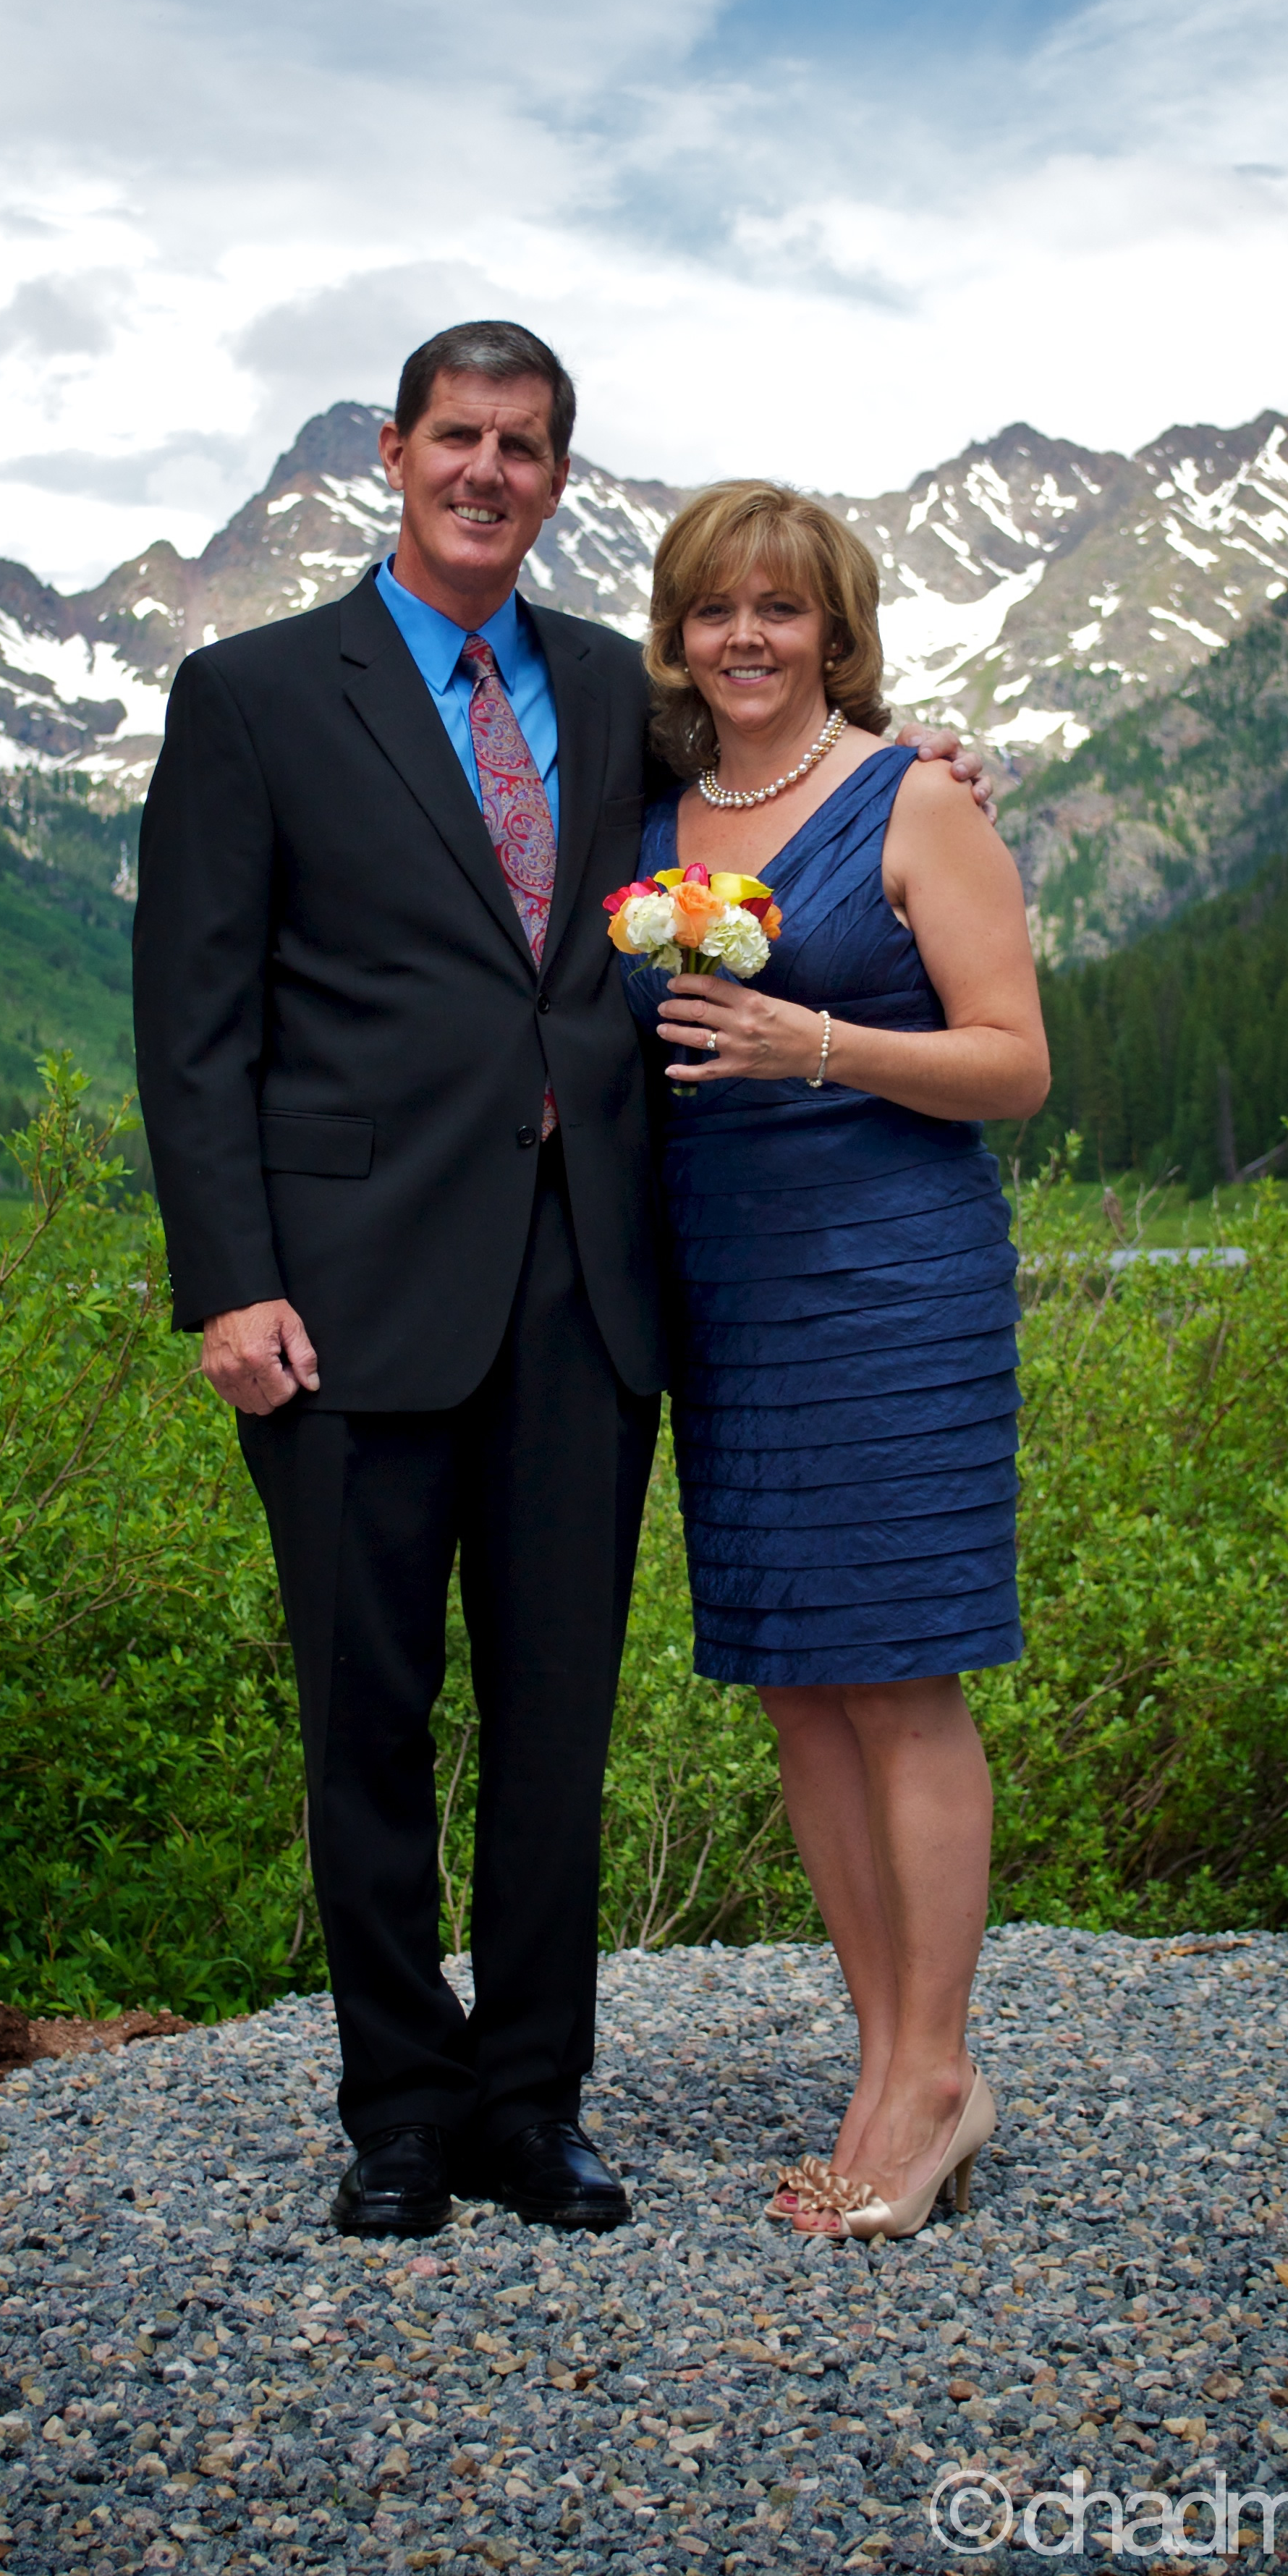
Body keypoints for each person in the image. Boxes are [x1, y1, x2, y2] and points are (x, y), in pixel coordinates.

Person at [132, 321, 993, 2240]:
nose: (488, 471)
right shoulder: (257, 695)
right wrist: (227, 1282)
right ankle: (396, 2109)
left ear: (555, 476)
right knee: (364, 1719)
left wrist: (942, 756)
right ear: (392, 451)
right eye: (459, 436)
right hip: (338, 1294)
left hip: (587, 1288)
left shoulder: (622, 693)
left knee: (554, 1726)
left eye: (525, 446)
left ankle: (533, 2101)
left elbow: (799, 766)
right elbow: (190, 1022)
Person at [621, 481, 1050, 2242]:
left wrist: (814, 1037)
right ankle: (879, 2060)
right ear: (675, 629)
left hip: (889, 1282)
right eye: (715, 607)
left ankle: (938, 2077)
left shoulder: (917, 798)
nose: (745, 636)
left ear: (834, 628)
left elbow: (1013, 1064)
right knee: (799, 1679)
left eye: (780, 610)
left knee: (903, 1674)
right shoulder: (649, 809)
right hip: (730, 1289)